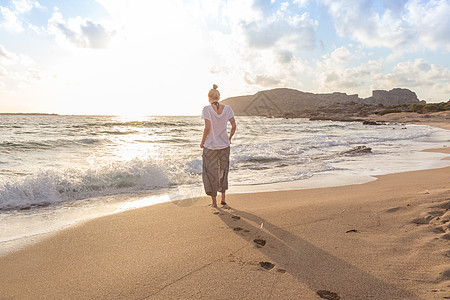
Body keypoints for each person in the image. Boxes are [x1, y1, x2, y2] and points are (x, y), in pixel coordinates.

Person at [200, 84, 236, 207]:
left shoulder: (207, 109)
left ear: (209, 97)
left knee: (210, 172)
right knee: (223, 170)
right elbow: (234, 126)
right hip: (225, 146)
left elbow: (208, 127)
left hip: (210, 146)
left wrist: (202, 141)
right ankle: (223, 198)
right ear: (219, 97)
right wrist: (229, 138)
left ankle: (214, 202)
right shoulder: (228, 109)